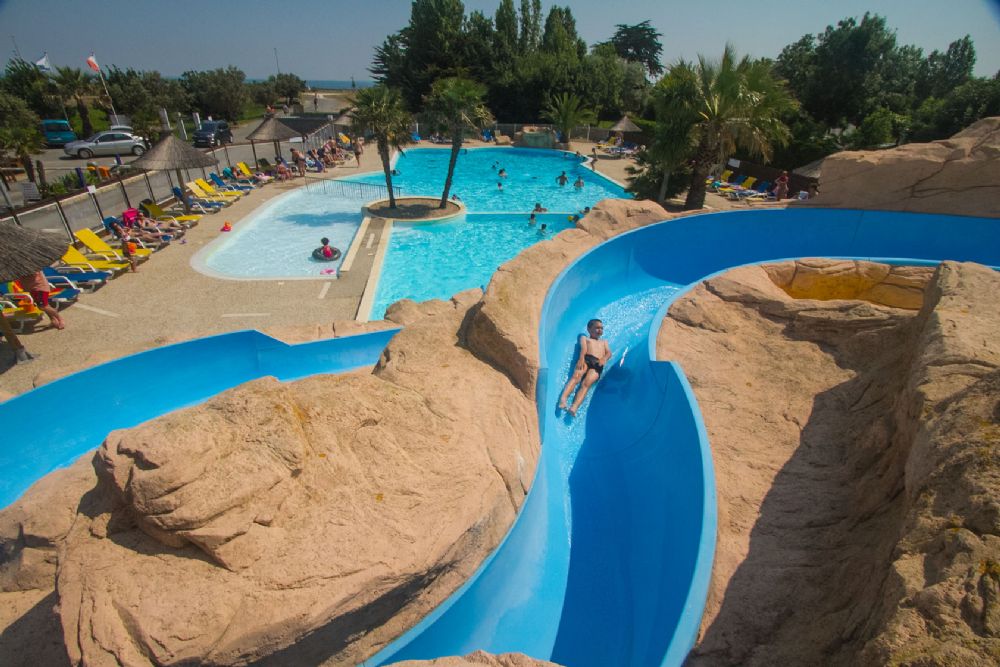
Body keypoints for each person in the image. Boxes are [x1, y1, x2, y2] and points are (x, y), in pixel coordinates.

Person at [558, 319, 612, 416]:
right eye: (597, 328)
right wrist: (581, 358)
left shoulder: (604, 342)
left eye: (601, 328)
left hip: (598, 363)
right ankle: (563, 400)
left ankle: (574, 407)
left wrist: (604, 359)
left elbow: (609, 353)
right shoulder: (585, 338)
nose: (600, 330)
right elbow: (583, 348)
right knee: (576, 377)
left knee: (586, 384)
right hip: (587, 359)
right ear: (589, 329)